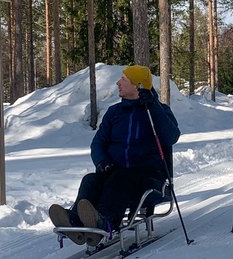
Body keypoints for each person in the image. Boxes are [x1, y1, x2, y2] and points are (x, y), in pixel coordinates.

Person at [49, 65, 180, 246]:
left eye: (124, 80)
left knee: (120, 179)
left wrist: (153, 105)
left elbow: (171, 137)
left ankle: (106, 222)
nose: (118, 83)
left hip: (149, 177)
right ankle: (76, 221)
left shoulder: (157, 111)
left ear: (138, 86)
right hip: (115, 171)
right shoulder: (114, 113)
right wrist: (102, 161)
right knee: (91, 180)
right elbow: (98, 143)